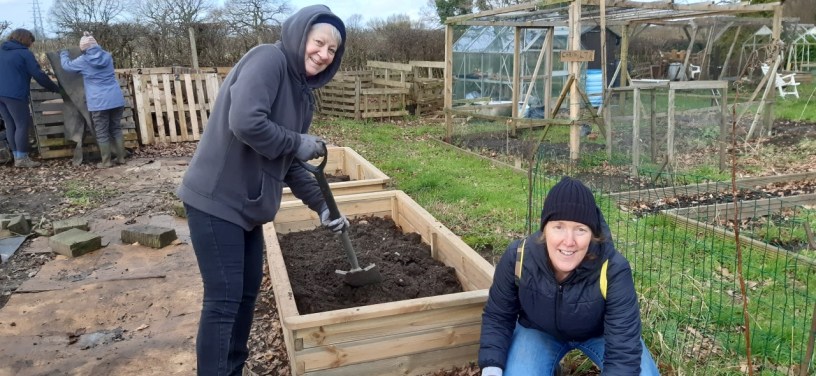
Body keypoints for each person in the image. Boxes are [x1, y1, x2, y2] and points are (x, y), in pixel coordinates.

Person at [176, 5, 348, 375]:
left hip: (248, 209)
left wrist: (322, 205)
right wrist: (296, 141)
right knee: (224, 301)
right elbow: (245, 121)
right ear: (300, 36)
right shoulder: (268, 59)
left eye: (332, 50)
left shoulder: (303, 96)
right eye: (319, 43)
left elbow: (289, 162)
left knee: (245, 296)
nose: (324, 54)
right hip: (216, 200)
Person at [478, 176, 660, 375]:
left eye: (580, 230)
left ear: (593, 235)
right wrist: (491, 366)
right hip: (539, 331)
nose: (569, 241)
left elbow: (623, 346)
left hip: (600, 334)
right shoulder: (518, 258)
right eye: (559, 227)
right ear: (545, 229)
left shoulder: (613, 269)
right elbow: (498, 315)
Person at [60, 32, 127, 168]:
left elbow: (66, 66)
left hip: (99, 102)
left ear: (83, 48)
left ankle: (106, 162)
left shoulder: (83, 60)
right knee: (115, 129)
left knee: (102, 132)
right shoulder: (107, 56)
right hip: (116, 99)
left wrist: (63, 54)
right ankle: (121, 158)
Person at [0, 28, 60, 168]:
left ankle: (17, 156)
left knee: (10, 124)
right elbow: (38, 75)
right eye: (31, 42)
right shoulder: (24, 53)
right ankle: (22, 158)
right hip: (15, 94)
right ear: (26, 40)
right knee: (22, 124)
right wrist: (56, 88)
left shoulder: (1, 51)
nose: (31, 45)